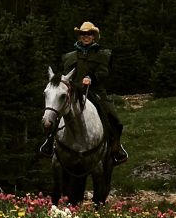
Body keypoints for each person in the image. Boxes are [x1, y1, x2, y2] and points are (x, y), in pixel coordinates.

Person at [39, 21, 128, 163]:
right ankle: (50, 142)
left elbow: (104, 72)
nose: (86, 36)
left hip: (96, 91)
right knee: (56, 112)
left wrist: (91, 77)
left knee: (113, 117)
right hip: (75, 92)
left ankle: (115, 147)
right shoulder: (70, 56)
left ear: (94, 36)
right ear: (79, 36)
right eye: (83, 34)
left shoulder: (102, 54)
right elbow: (67, 75)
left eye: (89, 34)